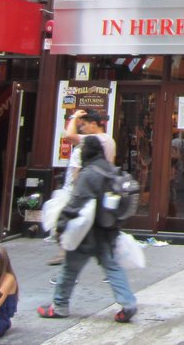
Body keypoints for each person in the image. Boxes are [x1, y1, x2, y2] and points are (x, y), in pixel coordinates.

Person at [38, 136, 138, 323]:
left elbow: (76, 203)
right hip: (107, 231)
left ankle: (59, 306)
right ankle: (128, 303)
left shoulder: (89, 173)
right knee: (112, 267)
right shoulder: (111, 169)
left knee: (69, 269)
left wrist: (61, 226)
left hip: (85, 234)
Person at [47, 108, 116, 266]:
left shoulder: (97, 139)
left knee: (74, 218)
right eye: (81, 125)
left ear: (94, 124)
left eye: (84, 125)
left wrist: (74, 117)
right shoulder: (108, 140)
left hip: (88, 187)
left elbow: (69, 136)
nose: (82, 128)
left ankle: (69, 251)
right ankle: (73, 252)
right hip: (98, 186)